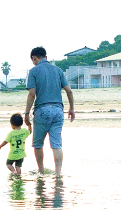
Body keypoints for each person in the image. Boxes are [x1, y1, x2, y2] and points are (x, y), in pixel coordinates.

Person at [23, 47, 75, 176]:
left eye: (33, 60)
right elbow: (69, 91)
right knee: (56, 144)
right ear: (45, 57)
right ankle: (58, 173)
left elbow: (32, 94)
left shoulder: (34, 71)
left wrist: (26, 113)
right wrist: (71, 109)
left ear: (34, 58)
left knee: (38, 144)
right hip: (58, 111)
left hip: (42, 110)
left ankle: (41, 172)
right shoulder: (58, 70)